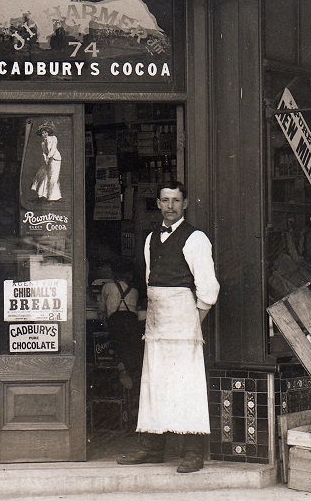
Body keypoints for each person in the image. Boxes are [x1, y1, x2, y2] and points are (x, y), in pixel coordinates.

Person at [117, 181, 220, 474]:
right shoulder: (150, 239)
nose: (170, 206)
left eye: (176, 200)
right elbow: (151, 281)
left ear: (185, 204)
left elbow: (208, 288)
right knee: (154, 383)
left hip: (184, 319)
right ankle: (151, 448)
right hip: (158, 319)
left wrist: (192, 322)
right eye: (165, 201)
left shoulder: (195, 238)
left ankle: (192, 452)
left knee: (186, 385)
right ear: (159, 204)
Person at [99, 258, 142, 394]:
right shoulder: (134, 291)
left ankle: (122, 369)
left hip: (115, 321)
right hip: (131, 322)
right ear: (129, 275)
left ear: (114, 274)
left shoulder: (107, 287)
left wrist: (105, 323)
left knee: (119, 342)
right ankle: (129, 373)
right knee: (131, 346)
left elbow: (101, 310)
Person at [31, 122, 62, 201]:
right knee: (44, 175)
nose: (44, 134)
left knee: (53, 177)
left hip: (55, 159)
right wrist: (45, 158)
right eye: (42, 133)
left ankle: (53, 196)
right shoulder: (42, 143)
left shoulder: (53, 138)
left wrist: (48, 157)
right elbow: (44, 152)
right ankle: (44, 194)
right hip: (48, 160)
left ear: (48, 132)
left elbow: (53, 149)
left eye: (45, 132)